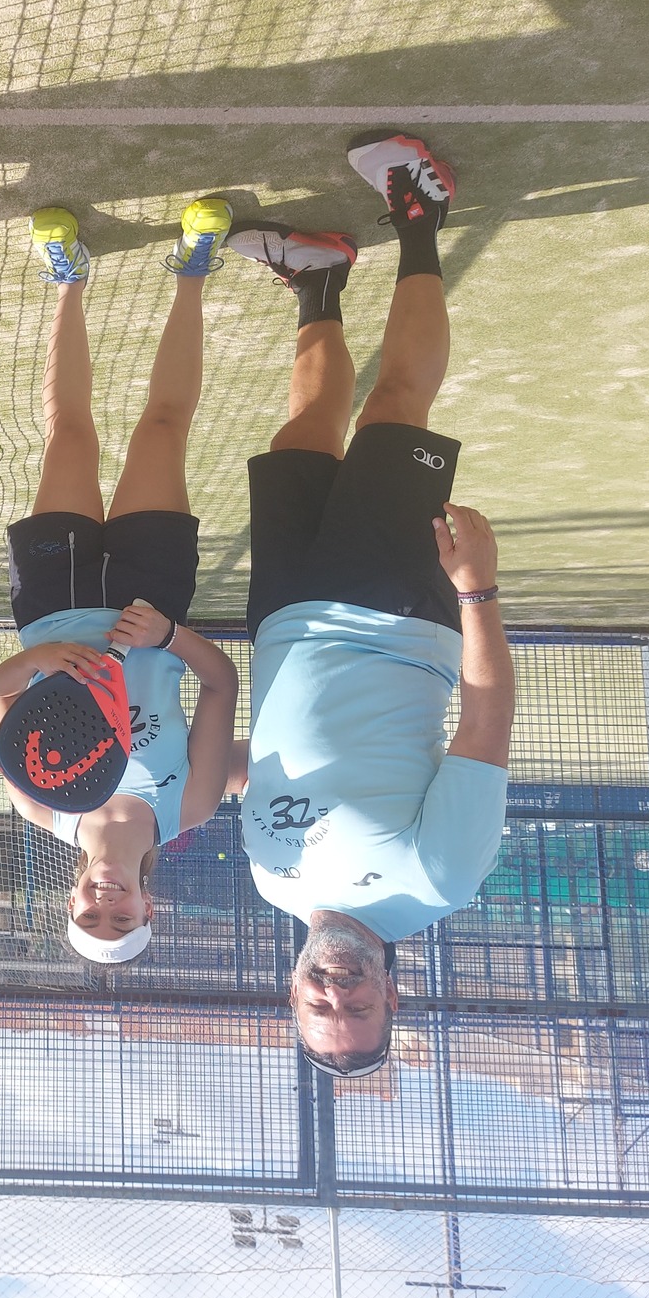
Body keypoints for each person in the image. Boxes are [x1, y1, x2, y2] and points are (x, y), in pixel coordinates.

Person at [228, 133, 516, 1078]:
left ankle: (318, 280)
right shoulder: (436, 882)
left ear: (292, 992)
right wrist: (476, 589)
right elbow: (485, 721)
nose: (336, 991)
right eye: (357, 1007)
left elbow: (265, 769)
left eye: (321, 1007)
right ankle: (420, 210)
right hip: (394, 616)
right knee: (394, 408)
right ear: (394, 994)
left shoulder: (273, 885)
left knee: (302, 437)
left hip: (283, 621)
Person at [0, 202, 243, 966]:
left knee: (69, 435)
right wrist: (168, 635)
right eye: (121, 918)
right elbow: (221, 684)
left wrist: (46, 657)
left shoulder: (42, 807)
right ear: (148, 906)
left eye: (91, 917)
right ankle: (194, 270)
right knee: (162, 430)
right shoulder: (191, 804)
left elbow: (2, 690)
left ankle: (68, 283)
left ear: (69, 901)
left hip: (52, 601)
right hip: (150, 599)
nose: (107, 904)